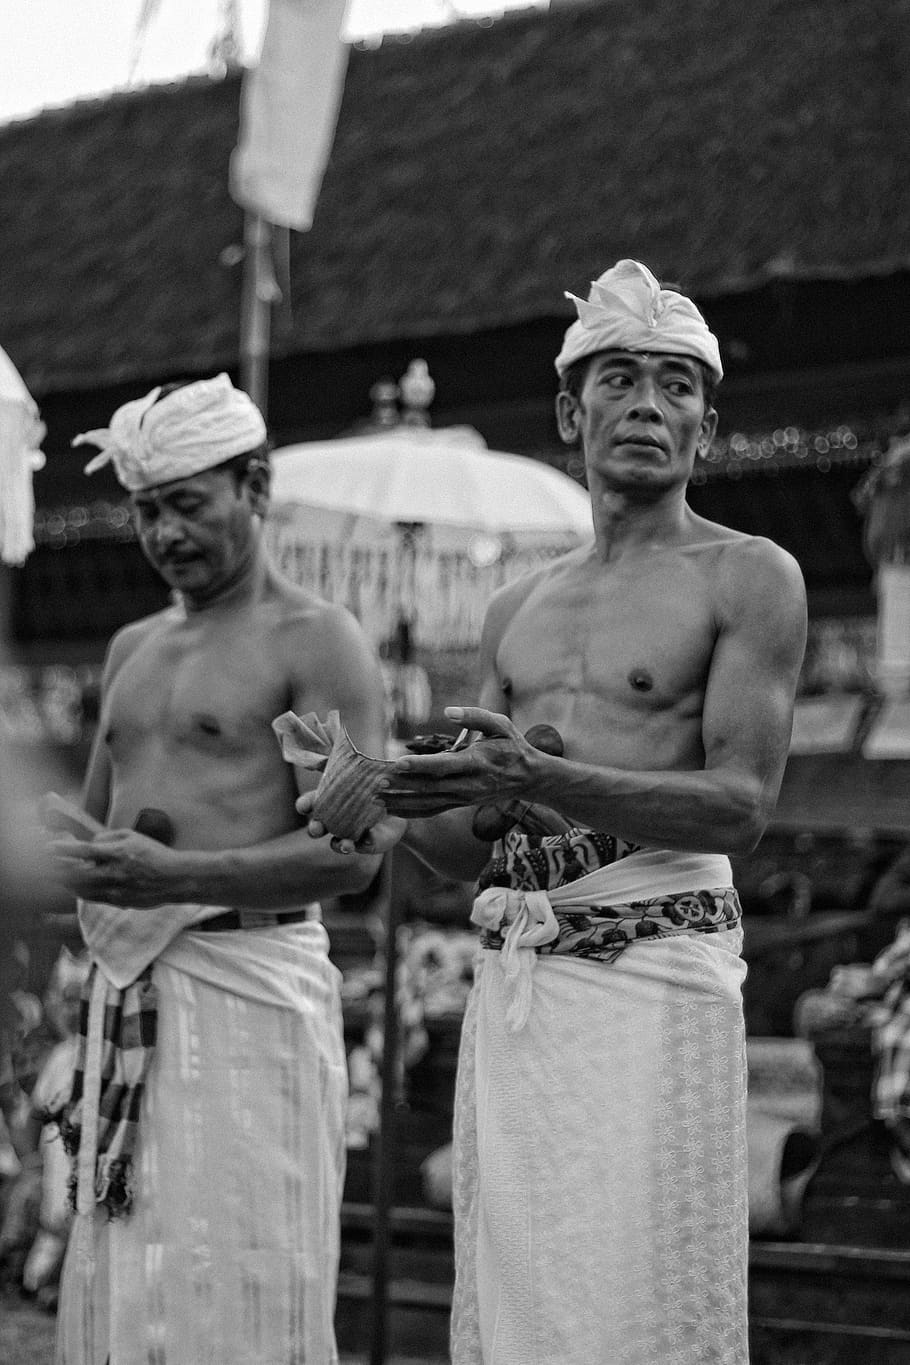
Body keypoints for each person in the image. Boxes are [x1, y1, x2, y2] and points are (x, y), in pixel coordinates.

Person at [298, 260, 809, 1364]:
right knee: (528, 1285)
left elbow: (738, 808)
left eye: (676, 386)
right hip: (524, 980)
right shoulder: (515, 607)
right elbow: (461, 849)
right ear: (568, 413)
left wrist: (537, 782)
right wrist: (375, 806)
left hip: (659, 966)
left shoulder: (750, 576)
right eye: (617, 379)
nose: (646, 405)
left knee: (642, 1292)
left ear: (707, 425)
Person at [47, 374, 388, 1365]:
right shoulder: (131, 648)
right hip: (129, 992)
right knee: (129, 1266)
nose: (163, 534)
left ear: (257, 485)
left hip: (250, 997)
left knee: (246, 1263)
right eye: (146, 511)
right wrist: (70, 844)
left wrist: (175, 881)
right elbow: (110, 826)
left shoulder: (315, 642)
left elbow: (355, 852)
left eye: (187, 504)